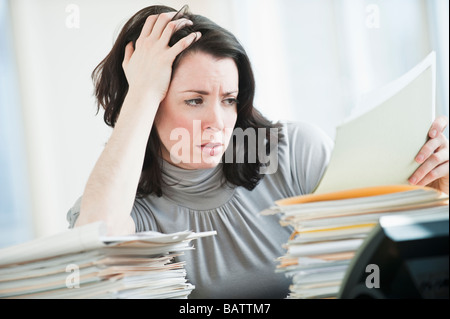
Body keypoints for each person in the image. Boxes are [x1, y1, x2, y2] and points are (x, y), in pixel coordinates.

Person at [67, 5, 449, 298]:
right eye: (195, 100)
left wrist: (437, 189)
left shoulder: (293, 154)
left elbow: (387, 264)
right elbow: (98, 250)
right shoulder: (119, 205)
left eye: (230, 99)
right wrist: (142, 92)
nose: (218, 120)